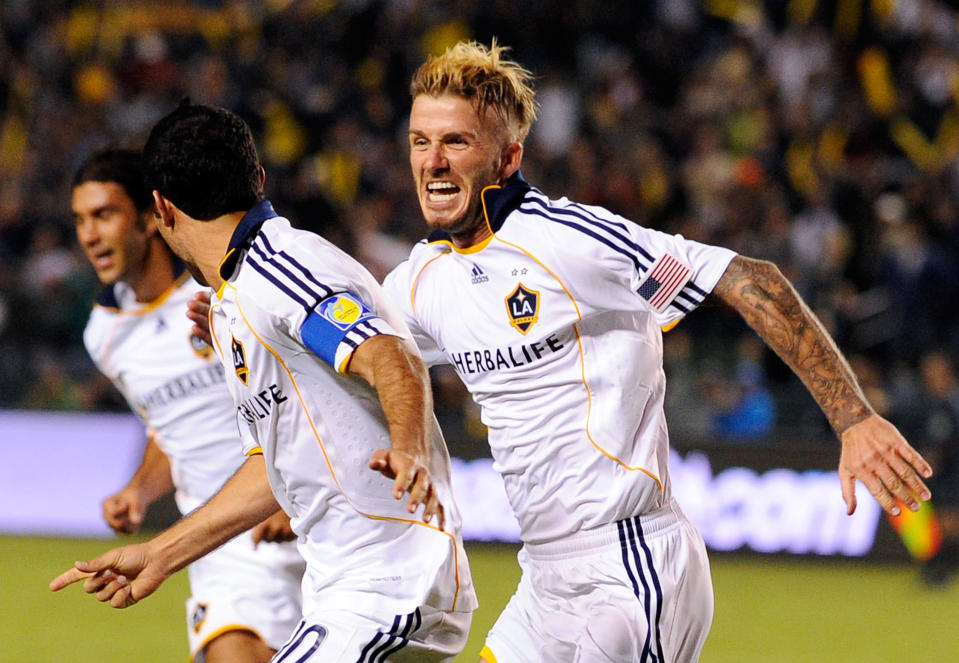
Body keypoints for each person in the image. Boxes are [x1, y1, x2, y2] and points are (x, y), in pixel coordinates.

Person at [377, 41, 933, 662]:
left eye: (456, 141)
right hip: (542, 578)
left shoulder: (569, 241)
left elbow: (756, 282)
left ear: (509, 157)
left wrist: (853, 418)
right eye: (420, 142)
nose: (433, 161)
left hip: (631, 566)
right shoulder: (421, 280)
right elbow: (362, 363)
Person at [52, 104, 477, 662]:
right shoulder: (236, 298)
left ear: (159, 209)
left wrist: (408, 447)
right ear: (258, 180)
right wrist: (161, 554)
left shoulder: (277, 270)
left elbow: (388, 354)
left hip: (384, 582)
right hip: (347, 586)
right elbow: (270, 468)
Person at [70, 147, 305, 663]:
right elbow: (168, 431)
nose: (89, 235)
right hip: (219, 545)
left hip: (305, 521)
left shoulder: (224, 292)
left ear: (151, 218)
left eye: (104, 215)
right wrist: (139, 488)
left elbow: (307, 395)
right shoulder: (104, 336)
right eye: (81, 220)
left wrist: (292, 493)